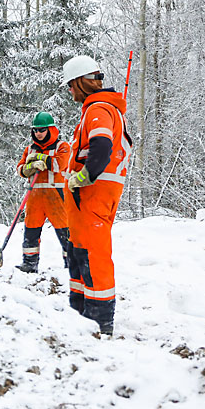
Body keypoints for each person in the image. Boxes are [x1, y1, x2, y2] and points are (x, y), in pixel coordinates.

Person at [61, 55, 133, 335]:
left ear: (81, 82)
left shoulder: (98, 109)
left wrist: (85, 175)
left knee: (93, 254)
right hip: (89, 197)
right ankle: (80, 310)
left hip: (93, 194)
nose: (70, 92)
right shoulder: (100, 109)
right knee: (80, 250)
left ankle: (99, 320)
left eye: (70, 85)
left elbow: (101, 147)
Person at [15, 111, 71, 273]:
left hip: (57, 195)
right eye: (36, 130)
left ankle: (71, 263)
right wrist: (29, 167)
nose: (38, 134)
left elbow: (59, 165)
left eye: (42, 130)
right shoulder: (29, 149)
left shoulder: (62, 147)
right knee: (31, 229)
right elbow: (20, 168)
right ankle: (29, 263)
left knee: (65, 230)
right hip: (34, 196)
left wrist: (41, 159)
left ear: (51, 129)